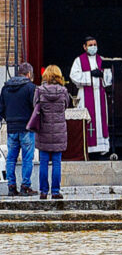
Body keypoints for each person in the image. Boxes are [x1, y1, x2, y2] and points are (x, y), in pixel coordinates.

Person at [0, 62, 38, 197]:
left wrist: (9, 119)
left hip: (11, 128)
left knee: (11, 158)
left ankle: (11, 186)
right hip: (27, 127)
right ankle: (25, 186)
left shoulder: (5, 88)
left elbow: (1, 109)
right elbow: (35, 108)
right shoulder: (30, 88)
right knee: (27, 158)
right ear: (29, 74)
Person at [70, 36, 112, 155]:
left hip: (99, 94)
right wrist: (90, 74)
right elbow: (74, 76)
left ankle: (102, 147)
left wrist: (102, 74)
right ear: (84, 47)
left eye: (95, 44)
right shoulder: (79, 60)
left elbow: (109, 78)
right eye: (90, 45)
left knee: (101, 119)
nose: (93, 47)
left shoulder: (102, 59)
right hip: (85, 93)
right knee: (88, 121)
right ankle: (87, 147)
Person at [35, 65, 70, 200]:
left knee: (43, 162)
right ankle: (55, 191)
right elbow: (66, 105)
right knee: (56, 162)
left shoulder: (39, 90)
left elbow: (35, 106)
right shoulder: (63, 91)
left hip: (43, 129)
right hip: (59, 131)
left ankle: (43, 191)